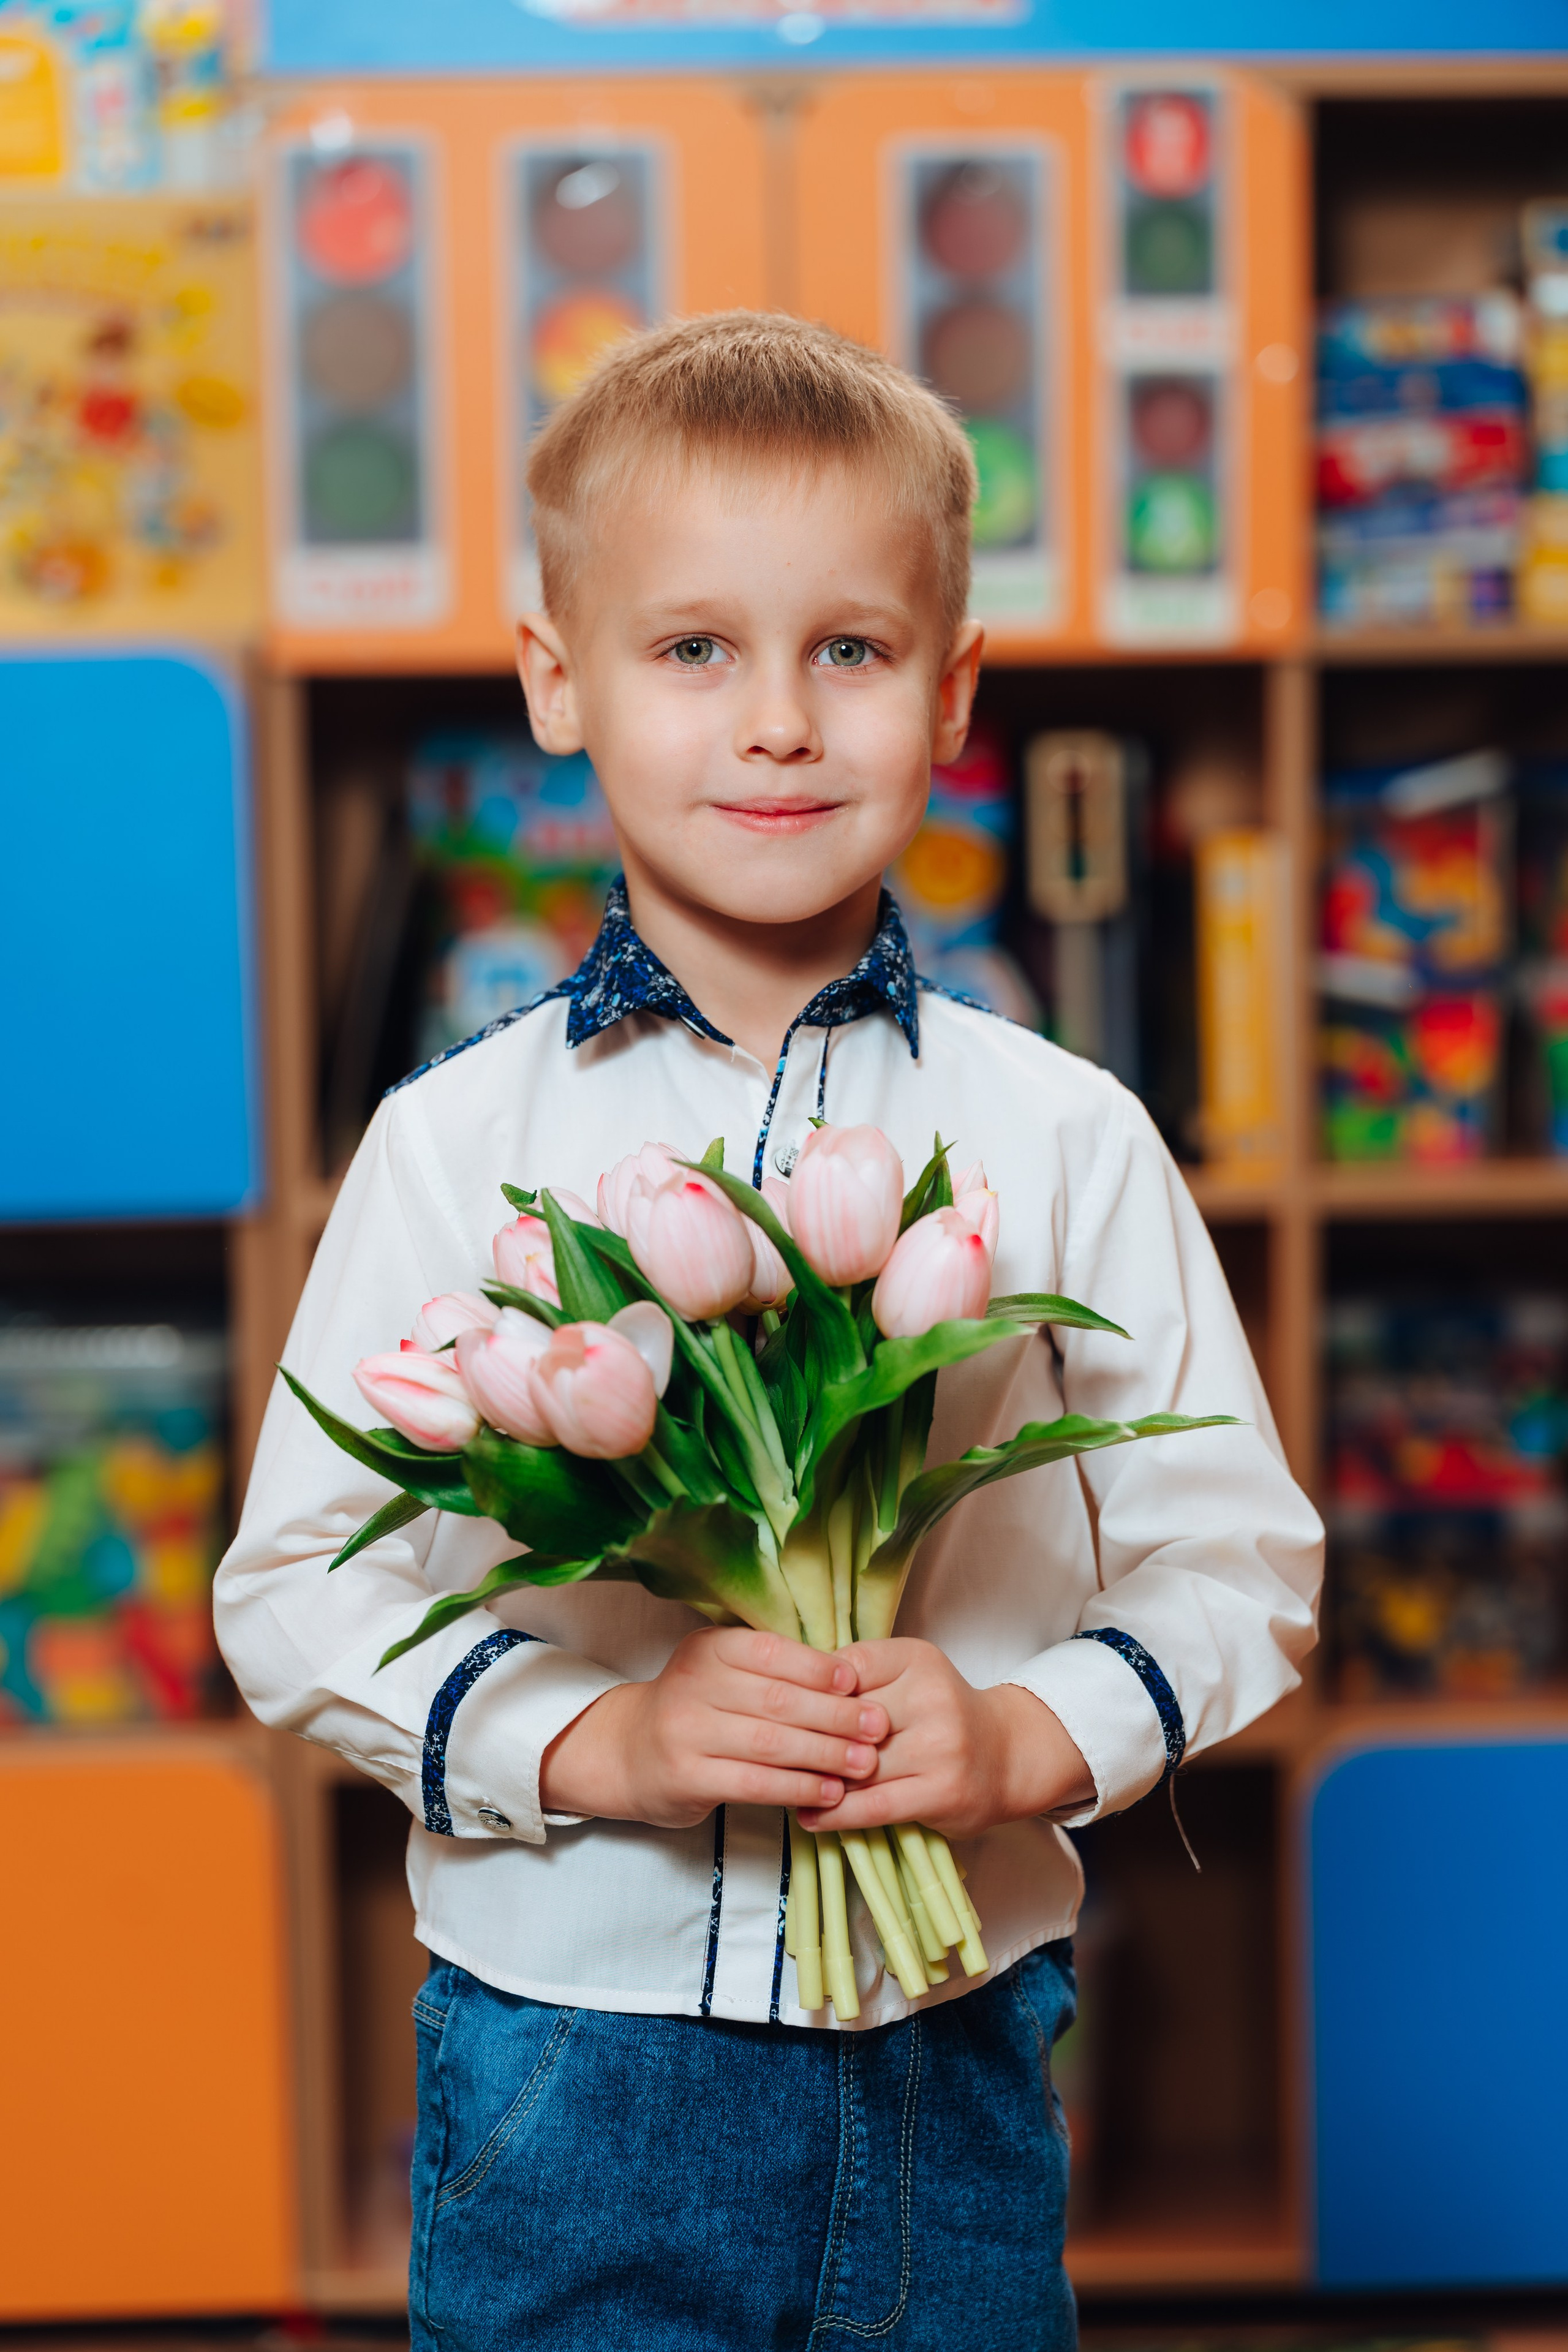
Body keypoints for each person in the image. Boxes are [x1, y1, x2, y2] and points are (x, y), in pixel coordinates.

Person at [216, 312, 1322, 2352]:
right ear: (560, 686)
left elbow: (1239, 1563)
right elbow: (294, 1587)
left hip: (954, 2046)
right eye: (695, 648)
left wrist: (1018, 1734)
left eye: (853, 650)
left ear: (954, 694)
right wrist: (602, 1735)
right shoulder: (459, 1145)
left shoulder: (1064, 1135)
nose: (781, 726)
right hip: (573, 2060)